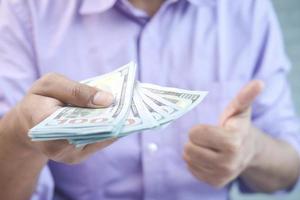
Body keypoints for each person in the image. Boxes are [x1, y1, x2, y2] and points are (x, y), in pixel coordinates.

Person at [0, 0, 299, 199]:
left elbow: (291, 168)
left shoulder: (247, 9)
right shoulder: (22, 10)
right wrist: (20, 135)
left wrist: (252, 150)